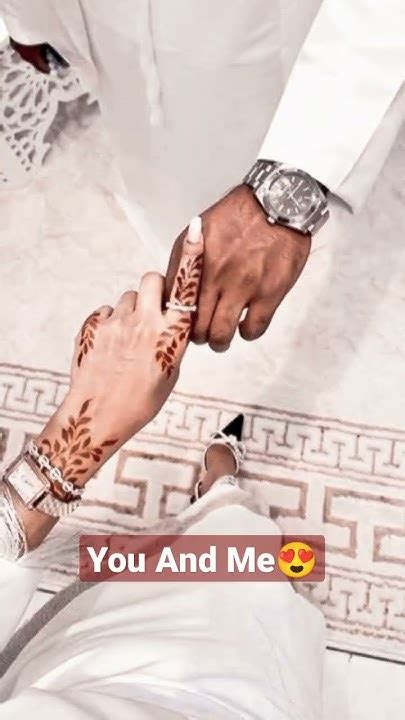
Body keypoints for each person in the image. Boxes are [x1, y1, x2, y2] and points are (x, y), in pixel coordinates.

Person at [0, 220, 325, 719]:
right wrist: (76, 441)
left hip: (87, 671)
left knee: (230, 574)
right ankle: (223, 492)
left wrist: (71, 446)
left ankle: (220, 494)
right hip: (241, 697)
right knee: (254, 575)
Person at [2, 0, 404, 353]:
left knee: (234, 122)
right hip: (99, 27)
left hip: (244, 34)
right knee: (139, 127)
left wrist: (296, 173)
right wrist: (26, 16)